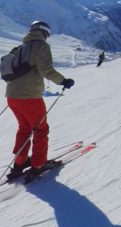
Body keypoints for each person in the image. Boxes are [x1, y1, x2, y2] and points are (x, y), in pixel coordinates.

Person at [5, 20, 75, 182]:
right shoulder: (41, 46)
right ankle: (38, 165)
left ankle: (20, 162)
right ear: (45, 33)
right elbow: (46, 70)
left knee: (24, 128)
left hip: (12, 96)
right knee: (40, 130)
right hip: (30, 98)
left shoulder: (18, 49)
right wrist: (64, 81)